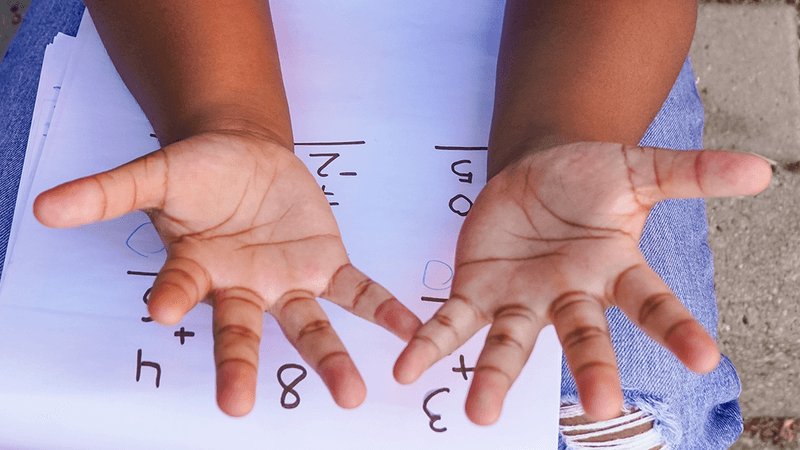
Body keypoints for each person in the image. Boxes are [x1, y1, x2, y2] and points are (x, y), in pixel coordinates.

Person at [0, 0, 772, 448]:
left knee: (621, 398)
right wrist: (224, 116)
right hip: (180, 33)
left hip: (573, 44)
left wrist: (560, 136)